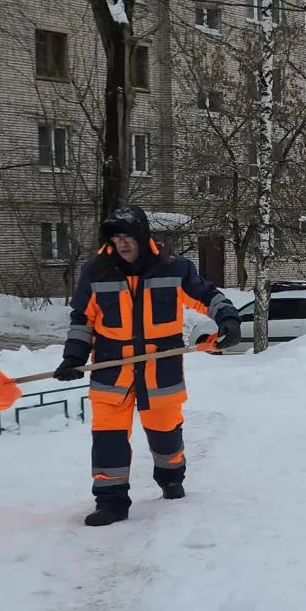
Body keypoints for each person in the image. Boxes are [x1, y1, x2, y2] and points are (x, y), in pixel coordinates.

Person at [55, 206, 242, 525]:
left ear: (143, 236)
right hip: (111, 370)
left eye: (127, 237)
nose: (122, 244)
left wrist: (227, 318)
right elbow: (83, 319)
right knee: (107, 438)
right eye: (116, 238)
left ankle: (171, 478)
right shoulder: (96, 271)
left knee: (165, 435)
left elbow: (207, 295)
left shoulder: (174, 268)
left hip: (161, 369)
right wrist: (74, 356)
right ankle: (111, 502)